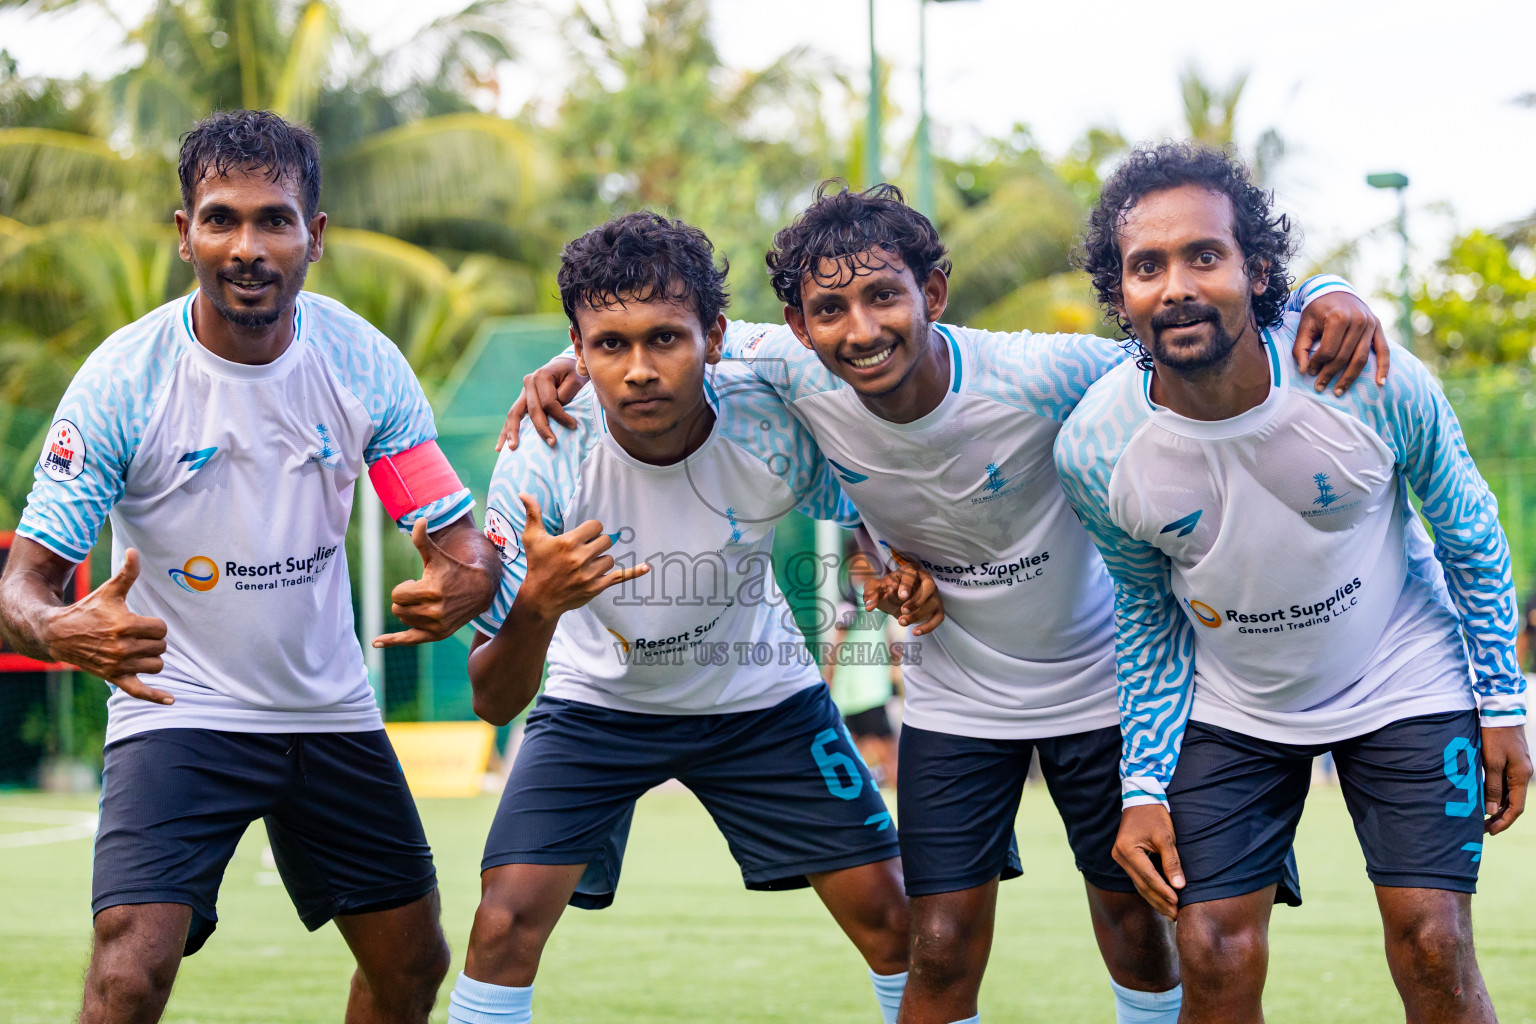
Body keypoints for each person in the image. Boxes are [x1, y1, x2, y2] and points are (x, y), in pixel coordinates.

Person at [499, 182, 1389, 1024]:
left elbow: (1181, 328)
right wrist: (559, 366)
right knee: (937, 942)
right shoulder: (799, 371)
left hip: (1099, 686)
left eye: (886, 298)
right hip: (954, 698)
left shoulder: (1042, 374)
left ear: (932, 291)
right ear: (801, 331)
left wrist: (1324, 286)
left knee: (1135, 930)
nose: (860, 330)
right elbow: (645, 330)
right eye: (829, 313)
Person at [0, 110, 500, 1024]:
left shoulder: (362, 362)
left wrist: (464, 577)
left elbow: (450, 534)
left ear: (314, 236)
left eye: (274, 219)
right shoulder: (123, 382)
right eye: (221, 218)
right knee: (128, 970)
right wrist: (59, 628)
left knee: (413, 963)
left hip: (328, 709)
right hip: (180, 710)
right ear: (183, 234)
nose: (247, 246)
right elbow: (19, 587)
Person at [1054, 141, 1531, 1024]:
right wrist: (1144, 786)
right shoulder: (1094, 448)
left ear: (1258, 269)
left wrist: (1503, 703)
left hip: (1403, 672)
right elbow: (1145, 614)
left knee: (1432, 941)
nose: (1177, 286)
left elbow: (1470, 535)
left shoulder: (1367, 379)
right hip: (1237, 705)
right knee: (1212, 948)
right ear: (1120, 294)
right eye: (1146, 266)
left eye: (1205, 255)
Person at [445, 212, 945, 1024]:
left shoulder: (771, 422)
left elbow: (866, 486)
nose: (639, 369)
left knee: (899, 923)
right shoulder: (541, 458)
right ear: (577, 351)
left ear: (713, 336)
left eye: (664, 339)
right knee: (502, 924)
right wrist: (537, 604)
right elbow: (492, 701)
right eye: (610, 345)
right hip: (596, 708)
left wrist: (884, 558)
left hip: (762, 701)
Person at [828, 546, 901, 787]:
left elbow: (891, 641)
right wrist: (828, 679)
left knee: (878, 750)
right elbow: (837, 643)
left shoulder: (874, 597)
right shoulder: (851, 599)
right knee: (876, 751)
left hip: (870, 688)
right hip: (854, 689)